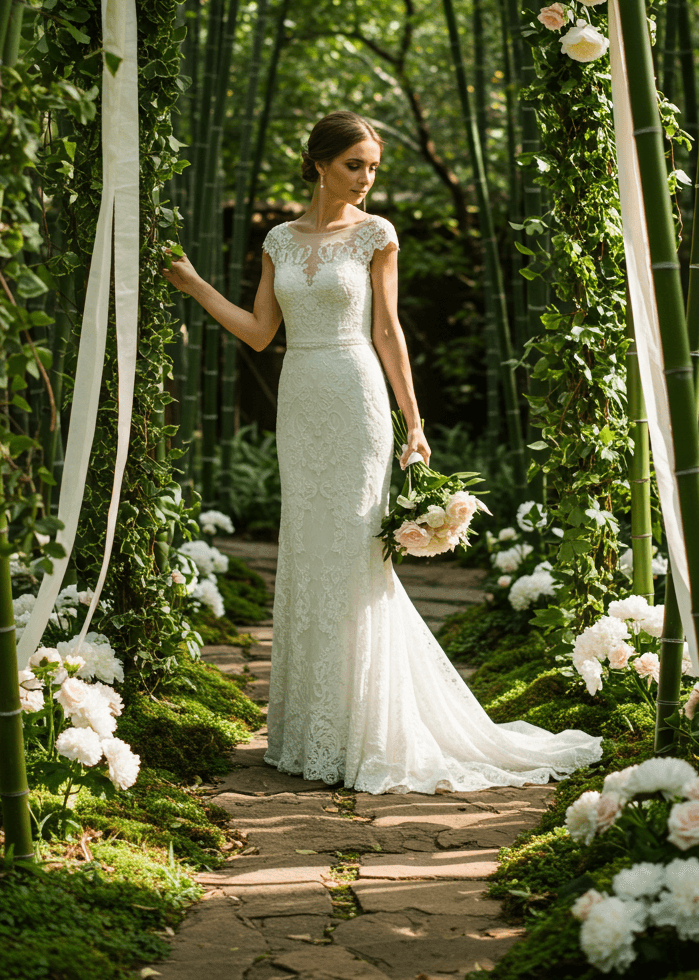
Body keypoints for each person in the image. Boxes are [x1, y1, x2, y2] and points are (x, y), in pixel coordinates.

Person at [163, 110, 601, 793]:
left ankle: (369, 728)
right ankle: (311, 730)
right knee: (307, 549)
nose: (366, 178)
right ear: (318, 164)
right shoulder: (278, 240)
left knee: (355, 552)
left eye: (373, 167)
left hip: (357, 395)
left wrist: (414, 421)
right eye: (354, 165)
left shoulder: (377, 235)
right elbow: (258, 332)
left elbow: (389, 331)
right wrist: (193, 284)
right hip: (301, 399)